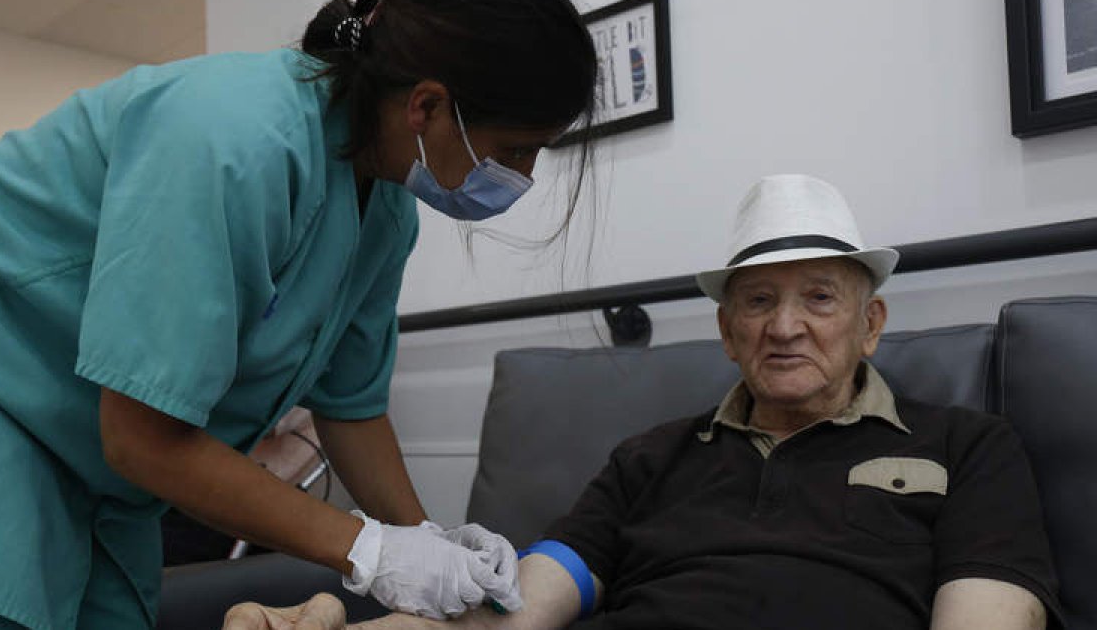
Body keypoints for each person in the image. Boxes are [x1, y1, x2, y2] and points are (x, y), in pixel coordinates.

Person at [0, 0, 597, 628]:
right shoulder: (230, 136)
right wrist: (371, 550)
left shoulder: (385, 211)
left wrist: (429, 542)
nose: (523, 176)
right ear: (427, 106)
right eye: (514, 150)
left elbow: (351, 409)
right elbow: (144, 436)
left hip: (87, 456)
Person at [223, 174, 1062, 630]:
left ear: (871, 324)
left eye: (819, 297)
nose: (786, 327)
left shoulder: (965, 444)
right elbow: (531, 601)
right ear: (728, 332)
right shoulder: (655, 455)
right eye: (759, 303)